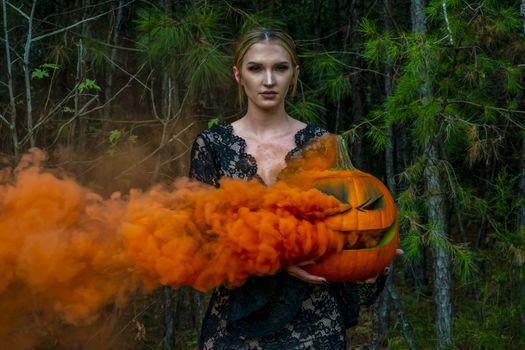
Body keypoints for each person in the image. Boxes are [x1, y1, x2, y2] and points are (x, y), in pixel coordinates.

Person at [189, 27, 387, 350]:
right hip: (235, 325)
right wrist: (277, 258)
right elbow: (199, 244)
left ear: (294, 74)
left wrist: (372, 250)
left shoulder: (322, 143)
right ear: (239, 75)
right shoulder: (212, 146)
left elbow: (345, 221)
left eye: (280, 68)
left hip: (313, 322)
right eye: (256, 68)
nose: (269, 80)